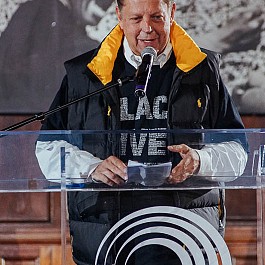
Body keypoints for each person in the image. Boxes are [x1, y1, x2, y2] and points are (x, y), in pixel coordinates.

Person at [36, 0, 248, 264]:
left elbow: (238, 150)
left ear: (172, 13)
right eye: (136, 19)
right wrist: (91, 167)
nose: (147, 28)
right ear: (119, 16)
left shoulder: (204, 71)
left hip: (186, 238)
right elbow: (47, 147)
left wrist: (200, 160)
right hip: (105, 239)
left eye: (157, 17)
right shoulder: (85, 75)